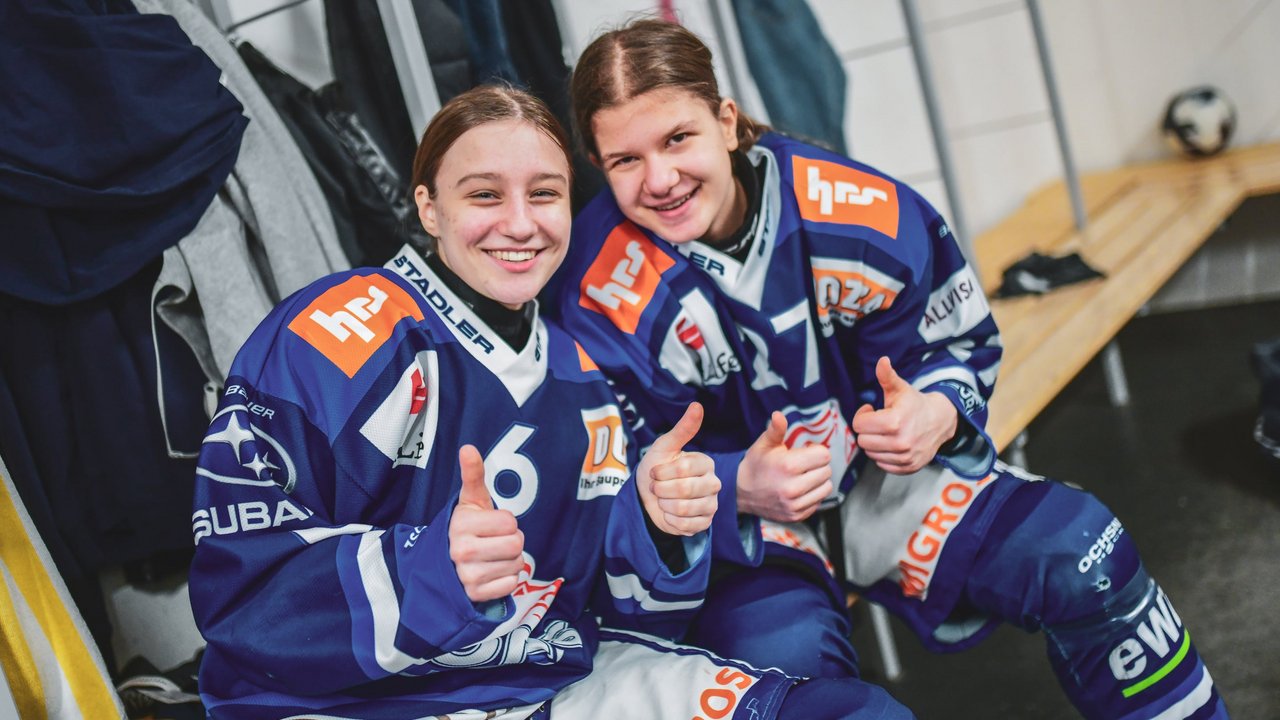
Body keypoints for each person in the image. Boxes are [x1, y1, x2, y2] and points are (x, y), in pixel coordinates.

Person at [550, 18, 1228, 720]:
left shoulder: (855, 210)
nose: (659, 179)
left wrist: (933, 411)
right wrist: (734, 485)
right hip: (739, 539)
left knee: (1081, 550)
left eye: (677, 138)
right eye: (625, 160)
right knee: (795, 685)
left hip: (886, 484)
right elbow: (608, 479)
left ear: (725, 121)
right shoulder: (591, 294)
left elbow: (955, 345)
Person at [189, 84, 911, 719]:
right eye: (483, 195)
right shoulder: (344, 333)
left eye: (544, 193)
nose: (521, 223)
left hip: (536, 684)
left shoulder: (577, 369)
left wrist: (656, 523)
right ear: (428, 209)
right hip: (348, 704)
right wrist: (427, 571)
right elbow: (239, 592)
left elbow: (620, 607)